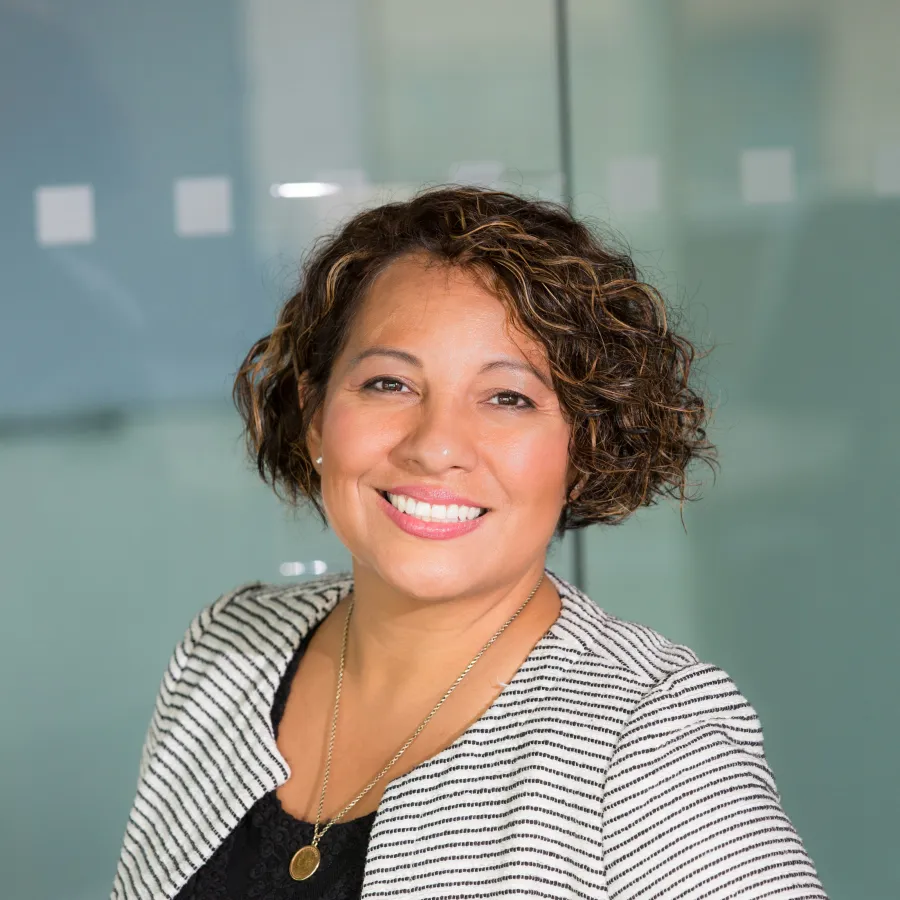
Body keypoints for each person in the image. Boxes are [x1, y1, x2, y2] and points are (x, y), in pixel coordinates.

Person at [109, 187, 827, 899]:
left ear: (584, 449)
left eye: (508, 397)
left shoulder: (651, 741)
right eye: (389, 384)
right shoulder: (225, 649)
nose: (436, 446)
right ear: (315, 414)